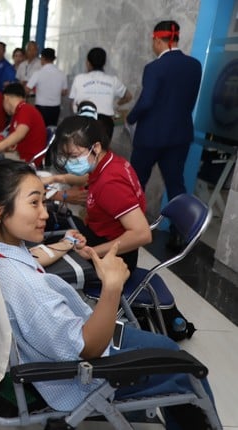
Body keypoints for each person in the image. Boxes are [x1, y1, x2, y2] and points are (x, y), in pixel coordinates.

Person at [0, 161, 217, 430]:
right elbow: (88, 349)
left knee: (167, 347)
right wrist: (112, 287)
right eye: (34, 203)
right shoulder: (27, 288)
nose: (44, 213)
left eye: (44, 201)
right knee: (186, 368)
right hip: (82, 373)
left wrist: (64, 244)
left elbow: (32, 260)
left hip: (81, 333)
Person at [51, 115, 151, 271]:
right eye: (66, 156)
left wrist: (91, 253)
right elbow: (85, 178)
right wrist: (56, 178)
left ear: (95, 147)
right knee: (59, 237)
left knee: (51, 261)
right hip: (102, 236)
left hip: (114, 259)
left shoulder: (110, 184)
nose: (70, 162)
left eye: (74, 156)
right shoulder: (108, 161)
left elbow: (142, 234)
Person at [127, 21, 202, 219]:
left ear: (158, 40)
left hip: (150, 136)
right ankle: (179, 233)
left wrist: (131, 117)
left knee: (136, 182)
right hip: (180, 136)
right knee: (175, 183)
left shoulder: (154, 67)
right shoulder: (194, 66)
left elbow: (146, 101)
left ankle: (132, 226)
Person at [69, 47, 132, 139]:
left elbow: (72, 103)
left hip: (84, 121)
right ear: (104, 63)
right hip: (105, 123)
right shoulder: (113, 80)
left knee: (84, 150)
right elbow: (128, 96)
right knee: (102, 151)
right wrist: (116, 105)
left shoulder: (79, 79)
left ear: (88, 63)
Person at [0, 83, 46, 167]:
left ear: (6, 98)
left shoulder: (25, 109)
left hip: (25, 160)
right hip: (19, 155)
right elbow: (11, 136)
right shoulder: (20, 112)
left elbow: (19, 133)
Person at [25, 47, 68, 126]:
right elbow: (64, 92)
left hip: (41, 107)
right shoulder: (61, 74)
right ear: (54, 58)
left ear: (42, 58)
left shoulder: (38, 73)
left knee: (40, 129)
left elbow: (27, 89)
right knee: (51, 130)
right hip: (55, 108)